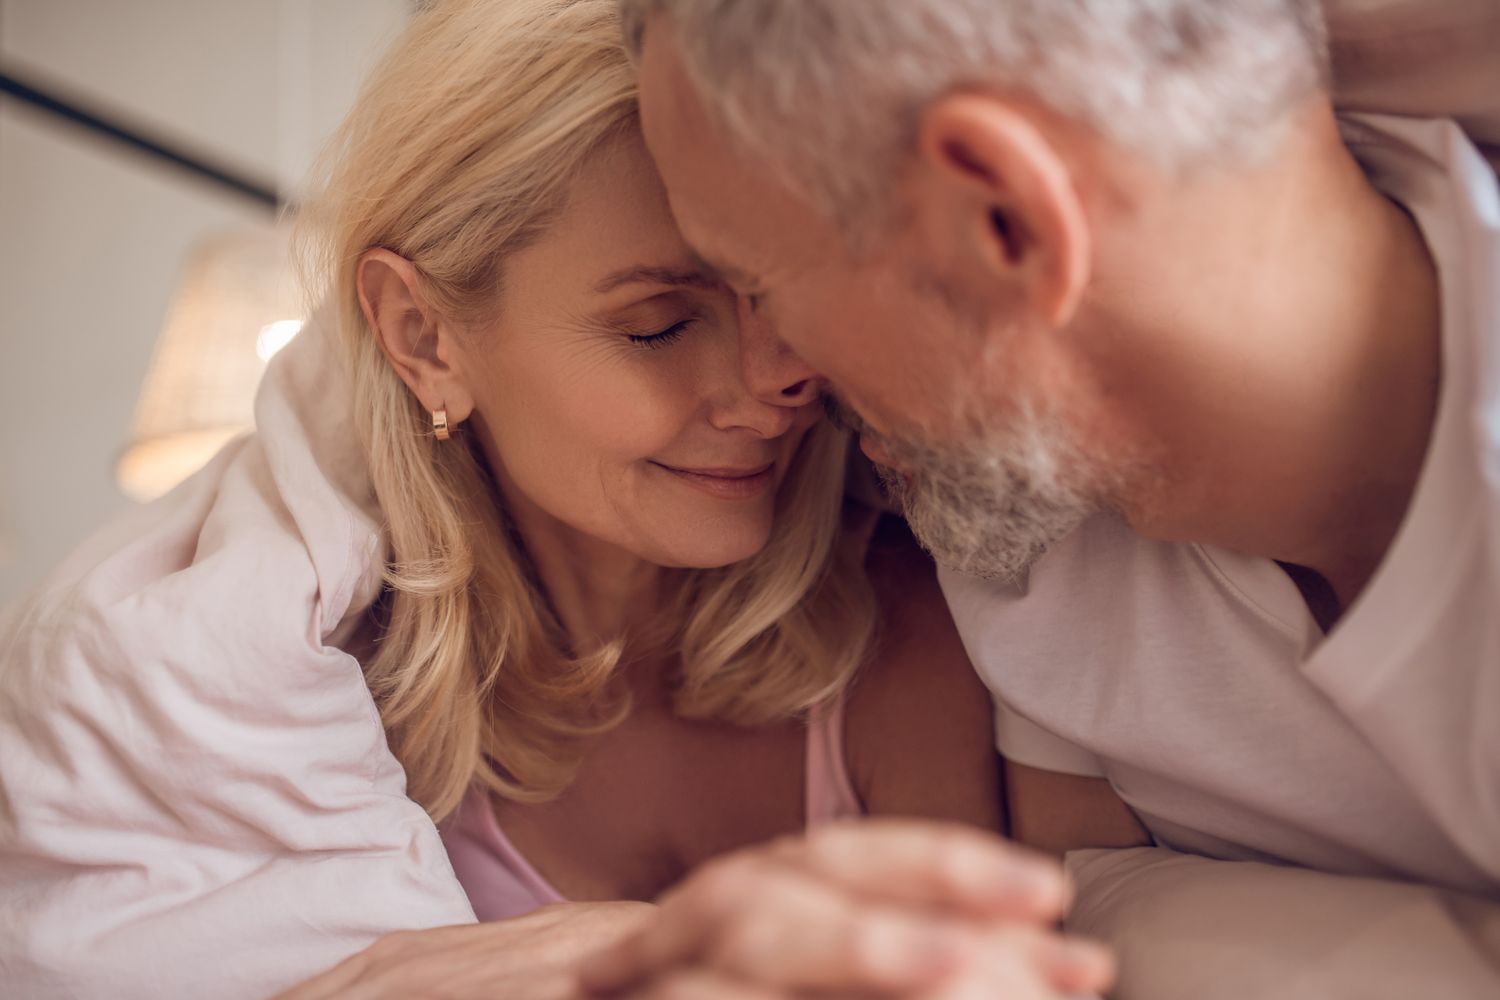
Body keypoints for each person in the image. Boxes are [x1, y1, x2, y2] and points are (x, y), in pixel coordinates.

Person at [0, 2, 1107, 998]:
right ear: (425, 338)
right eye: (659, 325)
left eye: (777, 293)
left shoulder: (906, 623)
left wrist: (615, 950)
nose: (777, 381)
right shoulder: (322, 708)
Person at [584, 0, 1500, 994]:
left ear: (1005, 217)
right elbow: (1071, 912)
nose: (775, 379)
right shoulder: (1022, 518)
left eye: (761, 283)